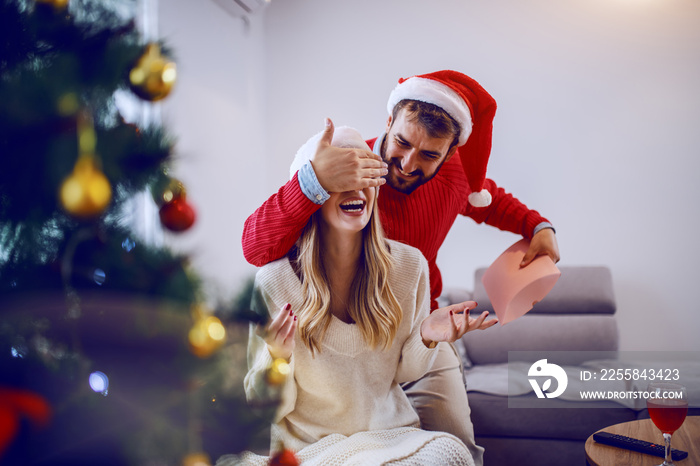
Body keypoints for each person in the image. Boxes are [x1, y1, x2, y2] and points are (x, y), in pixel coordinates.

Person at [240, 70, 561, 465]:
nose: (408, 164)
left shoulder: (453, 182)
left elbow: (490, 200)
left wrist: (539, 226)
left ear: (448, 156)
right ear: (388, 123)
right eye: (402, 143)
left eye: (429, 154)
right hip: (341, 337)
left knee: (460, 445)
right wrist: (314, 181)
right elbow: (256, 248)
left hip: (417, 326)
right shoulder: (350, 167)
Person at [222, 127, 496, 466]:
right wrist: (276, 360)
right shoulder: (274, 282)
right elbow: (267, 407)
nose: (356, 188)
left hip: (391, 438)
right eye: (341, 178)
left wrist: (426, 336)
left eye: (365, 175)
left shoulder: (410, 266)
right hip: (311, 448)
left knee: (454, 454)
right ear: (315, 194)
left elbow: (404, 373)